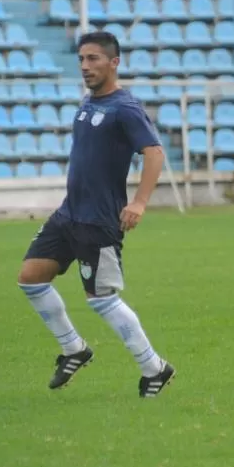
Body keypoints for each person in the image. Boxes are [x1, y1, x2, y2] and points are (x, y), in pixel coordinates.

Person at [18, 31, 175, 398]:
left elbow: (154, 153)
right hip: (68, 215)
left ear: (113, 62)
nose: (85, 66)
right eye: (82, 59)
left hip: (98, 222)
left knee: (101, 298)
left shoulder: (125, 108)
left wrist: (138, 203)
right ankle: (74, 348)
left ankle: (154, 368)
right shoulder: (88, 104)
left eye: (93, 59)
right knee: (30, 278)